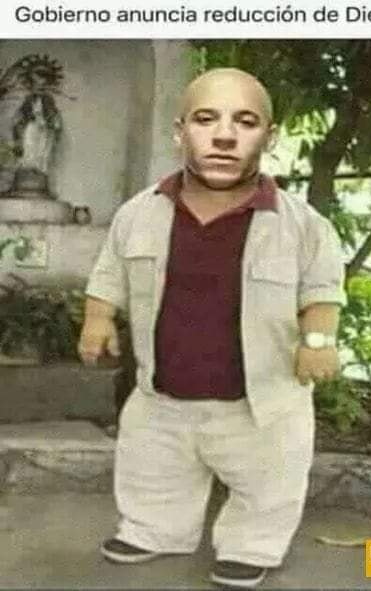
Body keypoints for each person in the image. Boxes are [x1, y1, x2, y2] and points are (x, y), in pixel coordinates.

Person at [78, 67, 346, 589]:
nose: (224, 135)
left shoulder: (303, 225)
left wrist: (318, 341)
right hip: (162, 394)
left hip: (261, 399)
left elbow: (322, 289)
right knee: (151, 468)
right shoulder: (139, 213)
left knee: (268, 481)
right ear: (180, 132)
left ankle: (251, 546)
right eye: (206, 119)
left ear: (269, 137)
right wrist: (98, 318)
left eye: (245, 122)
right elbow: (109, 272)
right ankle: (153, 529)